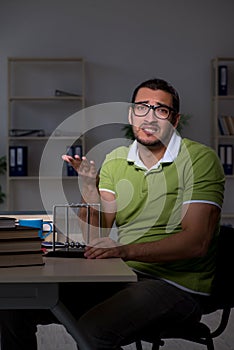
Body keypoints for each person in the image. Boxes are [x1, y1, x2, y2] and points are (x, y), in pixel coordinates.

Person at [0, 78, 225, 350]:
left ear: (174, 120)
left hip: (175, 286)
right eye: (142, 108)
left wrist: (125, 251)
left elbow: (196, 242)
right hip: (120, 277)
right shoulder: (117, 160)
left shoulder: (200, 159)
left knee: (93, 330)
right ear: (131, 114)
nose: (150, 118)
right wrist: (87, 185)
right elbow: (95, 234)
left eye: (161, 110)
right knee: (14, 303)